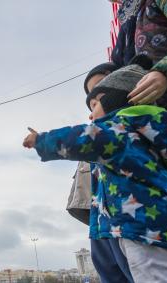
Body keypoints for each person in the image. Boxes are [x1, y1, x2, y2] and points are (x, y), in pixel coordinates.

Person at [24, 61, 167, 283]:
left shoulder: (121, 129)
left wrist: (41, 140)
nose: (91, 115)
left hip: (139, 227)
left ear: (117, 98)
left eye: (96, 103)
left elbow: (83, 138)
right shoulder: (164, 130)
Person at [67, 62, 135, 283]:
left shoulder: (143, 126)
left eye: (99, 94)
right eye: (91, 102)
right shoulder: (97, 134)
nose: (93, 108)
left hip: (130, 218)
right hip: (100, 219)